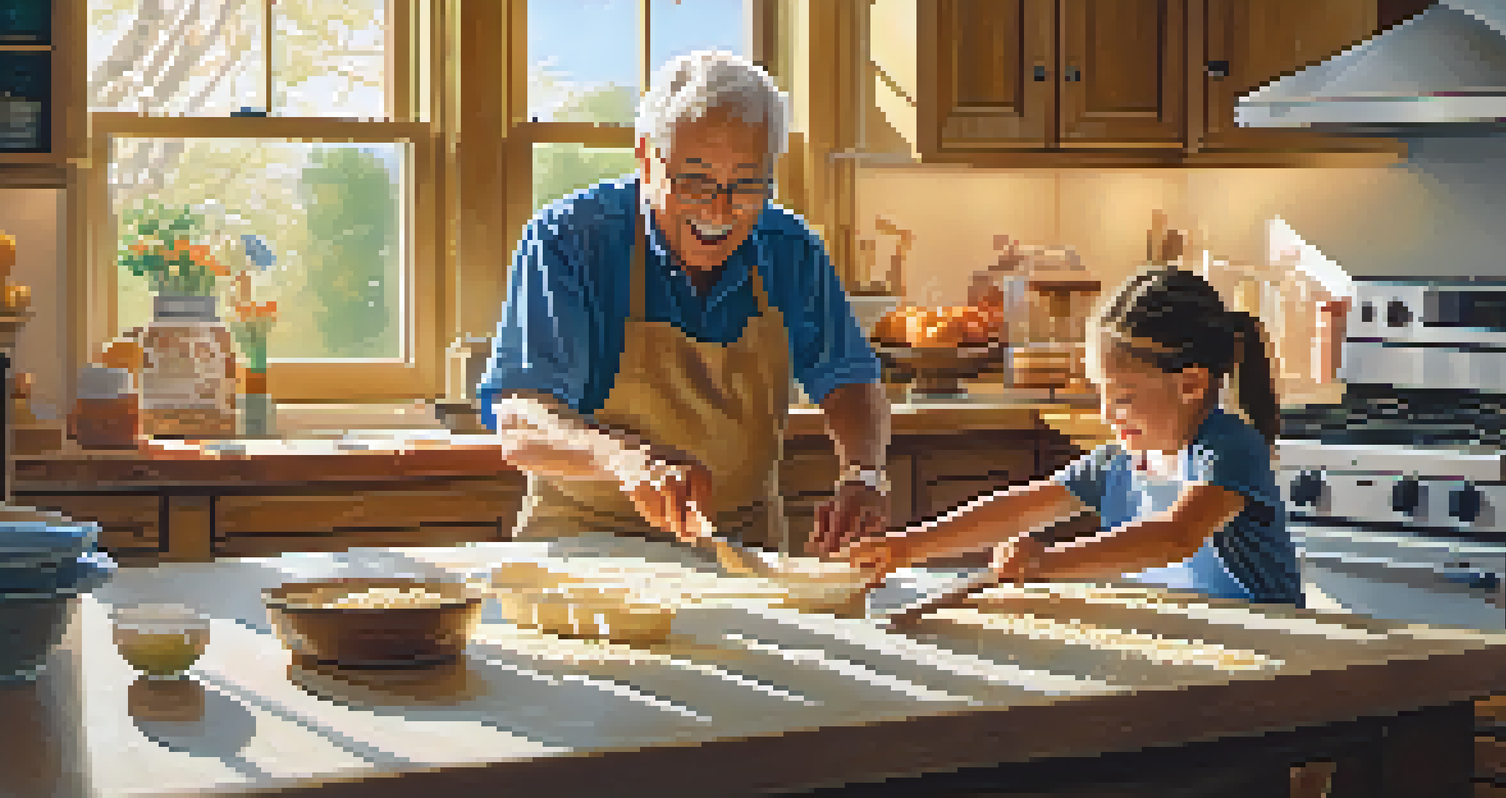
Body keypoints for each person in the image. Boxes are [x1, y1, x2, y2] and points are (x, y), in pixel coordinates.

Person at [479, 50, 893, 555]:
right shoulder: (570, 240)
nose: (720, 210)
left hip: (742, 547)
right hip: (585, 542)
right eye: (696, 182)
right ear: (647, 158)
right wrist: (624, 459)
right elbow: (522, 422)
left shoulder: (790, 249)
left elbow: (848, 378)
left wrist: (865, 473)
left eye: (747, 184)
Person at [832, 266, 1303, 606]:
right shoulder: (1120, 462)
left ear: (1192, 385)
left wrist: (1044, 563)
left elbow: (1174, 537)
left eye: (1121, 397)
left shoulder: (1227, 448)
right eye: (1100, 394)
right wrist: (905, 547)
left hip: (1274, 656)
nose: (1106, 414)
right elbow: (1023, 507)